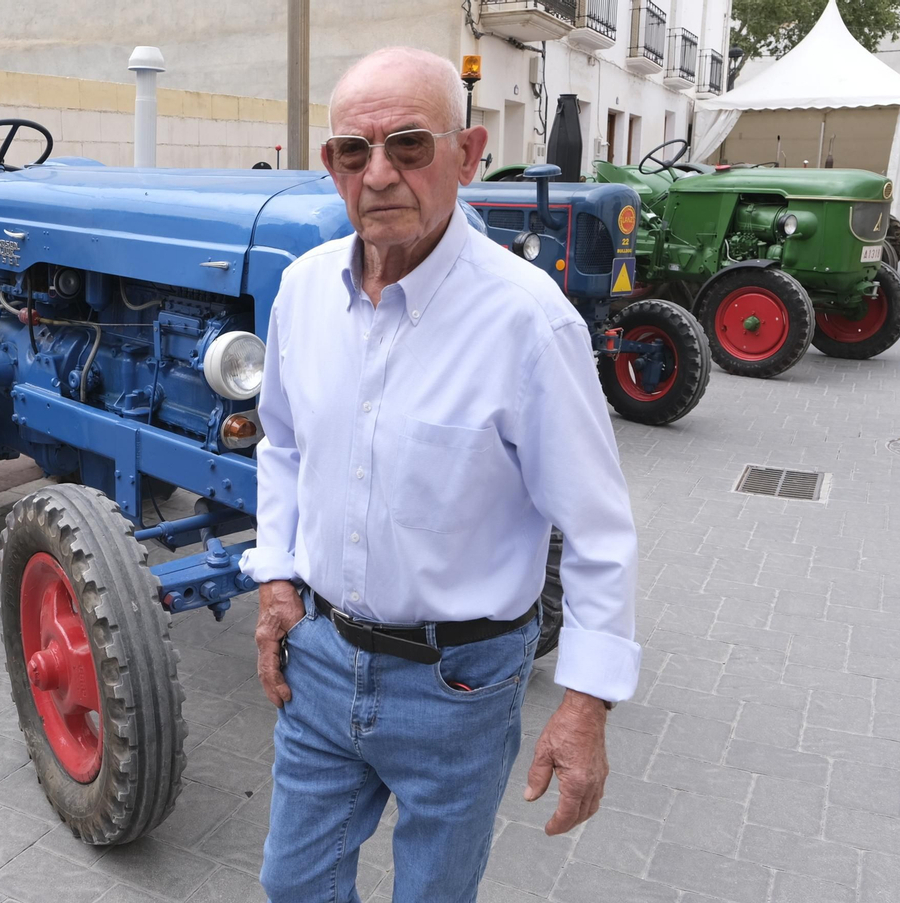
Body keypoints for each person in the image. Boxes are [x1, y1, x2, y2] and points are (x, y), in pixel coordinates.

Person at [240, 47, 640, 903]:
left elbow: (599, 529)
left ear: (468, 155)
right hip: (320, 658)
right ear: (331, 167)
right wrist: (274, 577)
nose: (380, 174)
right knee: (292, 884)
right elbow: (283, 444)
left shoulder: (529, 322)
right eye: (354, 151)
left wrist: (586, 702)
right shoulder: (302, 292)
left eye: (409, 145)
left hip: (459, 685)